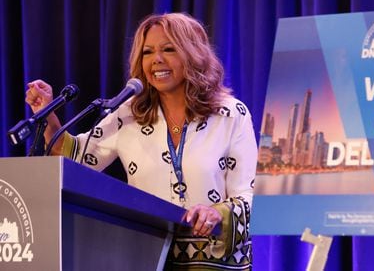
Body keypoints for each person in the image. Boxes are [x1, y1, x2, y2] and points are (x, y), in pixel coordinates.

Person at [25, 13, 257, 270]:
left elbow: (249, 193)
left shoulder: (231, 114)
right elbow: (77, 159)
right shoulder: (129, 114)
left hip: (213, 263)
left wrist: (218, 213)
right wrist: (47, 113)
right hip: (147, 256)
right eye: (147, 52)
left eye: (169, 49)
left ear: (193, 54)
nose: (156, 59)